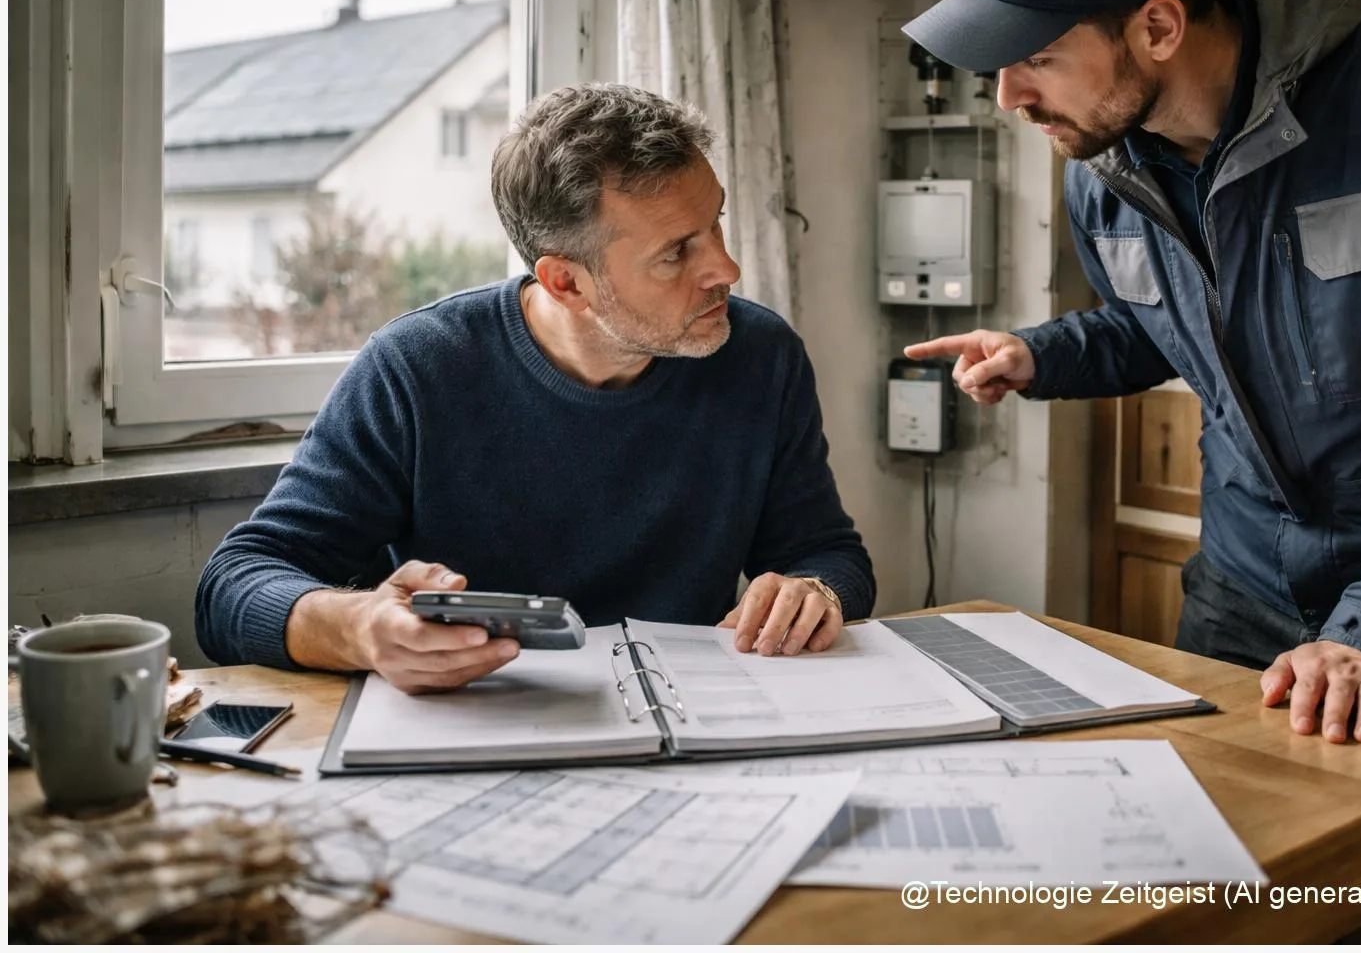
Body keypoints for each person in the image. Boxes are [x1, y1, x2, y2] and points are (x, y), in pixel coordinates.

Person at [901, 0, 1361, 944]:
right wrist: (1041, 353)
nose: (1008, 97)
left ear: (1157, 27)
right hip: (1242, 603)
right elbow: (1165, 324)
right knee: (1229, 895)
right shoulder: (1101, 162)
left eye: (1036, 58)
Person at [197, 83, 875, 695]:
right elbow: (234, 583)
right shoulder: (417, 367)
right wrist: (360, 629)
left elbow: (827, 552)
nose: (726, 267)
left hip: (697, 717)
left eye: (716, 224)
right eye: (676, 252)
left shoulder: (760, 355)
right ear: (566, 282)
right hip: (476, 728)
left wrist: (815, 590)